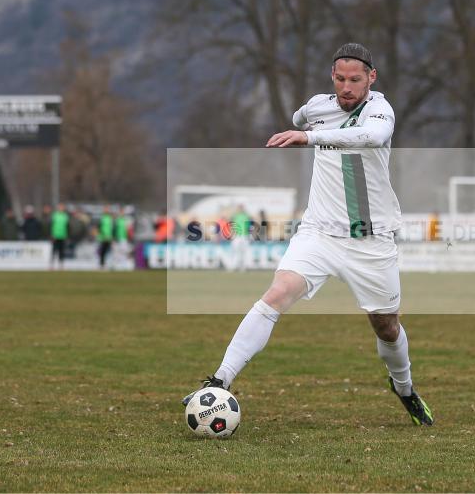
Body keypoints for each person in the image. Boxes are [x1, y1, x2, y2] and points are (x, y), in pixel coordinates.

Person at [182, 43, 433, 426]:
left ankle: (405, 388)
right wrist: (306, 127)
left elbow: (373, 137)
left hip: (371, 239)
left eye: (355, 80)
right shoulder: (318, 106)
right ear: (332, 77)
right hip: (318, 233)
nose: (347, 87)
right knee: (276, 294)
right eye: (339, 79)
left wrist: (310, 138)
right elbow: (302, 115)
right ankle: (219, 381)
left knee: (386, 325)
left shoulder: (380, 110)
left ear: (371, 78)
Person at [230, 204, 252, 272]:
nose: (240, 209)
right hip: (237, 236)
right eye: (239, 208)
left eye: (241, 208)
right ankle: (234, 266)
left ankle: (244, 267)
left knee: (244, 252)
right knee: (236, 251)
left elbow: (249, 226)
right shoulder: (235, 216)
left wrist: (250, 235)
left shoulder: (246, 216)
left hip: (245, 236)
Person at [50, 203, 70, 269]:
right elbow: (51, 226)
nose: (61, 208)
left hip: (63, 236)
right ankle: (52, 265)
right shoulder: (54, 216)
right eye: (60, 207)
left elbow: (67, 227)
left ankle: (61, 265)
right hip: (55, 236)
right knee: (54, 251)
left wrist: (67, 235)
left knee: (62, 251)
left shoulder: (65, 216)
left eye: (62, 207)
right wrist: (52, 235)